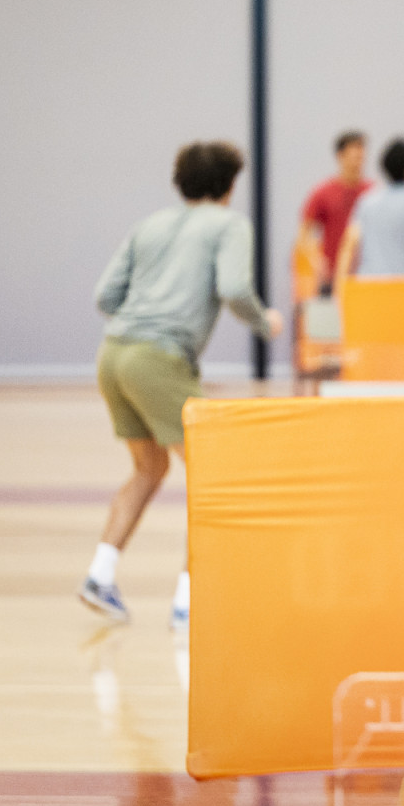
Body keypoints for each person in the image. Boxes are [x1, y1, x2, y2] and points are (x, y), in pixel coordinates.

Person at [83, 142, 283, 627]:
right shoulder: (229, 224)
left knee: (149, 468)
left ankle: (100, 574)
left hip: (113, 355)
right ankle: (190, 603)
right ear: (230, 185)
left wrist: (144, 317)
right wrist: (264, 322)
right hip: (159, 358)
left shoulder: (149, 225)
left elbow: (105, 295)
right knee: (213, 472)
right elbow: (234, 288)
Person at [335, 137, 404, 281]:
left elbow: (349, 245)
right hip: (400, 286)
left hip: (366, 285)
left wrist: (340, 287)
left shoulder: (367, 200)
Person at [297, 130, 370, 294]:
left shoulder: (372, 193)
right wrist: (316, 261)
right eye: (354, 157)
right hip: (332, 275)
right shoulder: (323, 192)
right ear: (340, 156)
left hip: (365, 275)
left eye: (361, 157)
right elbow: (304, 233)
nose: (358, 162)